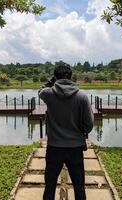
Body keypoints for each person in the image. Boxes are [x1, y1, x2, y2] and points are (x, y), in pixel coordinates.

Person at [38, 62, 94, 200]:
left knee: (50, 185)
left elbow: (40, 91)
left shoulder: (48, 94)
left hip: (54, 147)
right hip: (75, 148)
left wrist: (51, 80)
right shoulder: (82, 96)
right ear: (71, 76)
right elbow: (89, 124)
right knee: (79, 186)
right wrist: (81, 131)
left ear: (55, 77)